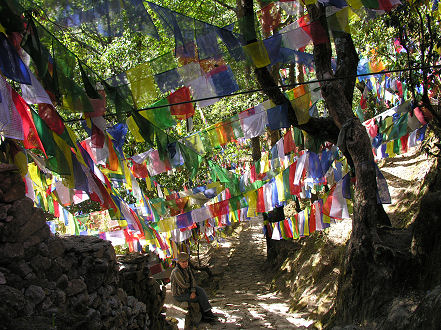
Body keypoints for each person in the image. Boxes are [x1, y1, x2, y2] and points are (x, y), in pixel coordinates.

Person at [170, 252, 216, 322]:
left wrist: (193, 290)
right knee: (198, 298)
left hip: (189, 289)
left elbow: (192, 280)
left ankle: (208, 311)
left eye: (186, 262)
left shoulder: (187, 268)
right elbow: (184, 285)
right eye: (183, 262)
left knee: (201, 291)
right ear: (179, 262)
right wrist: (192, 290)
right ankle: (204, 315)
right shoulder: (176, 271)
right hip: (180, 294)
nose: (185, 263)